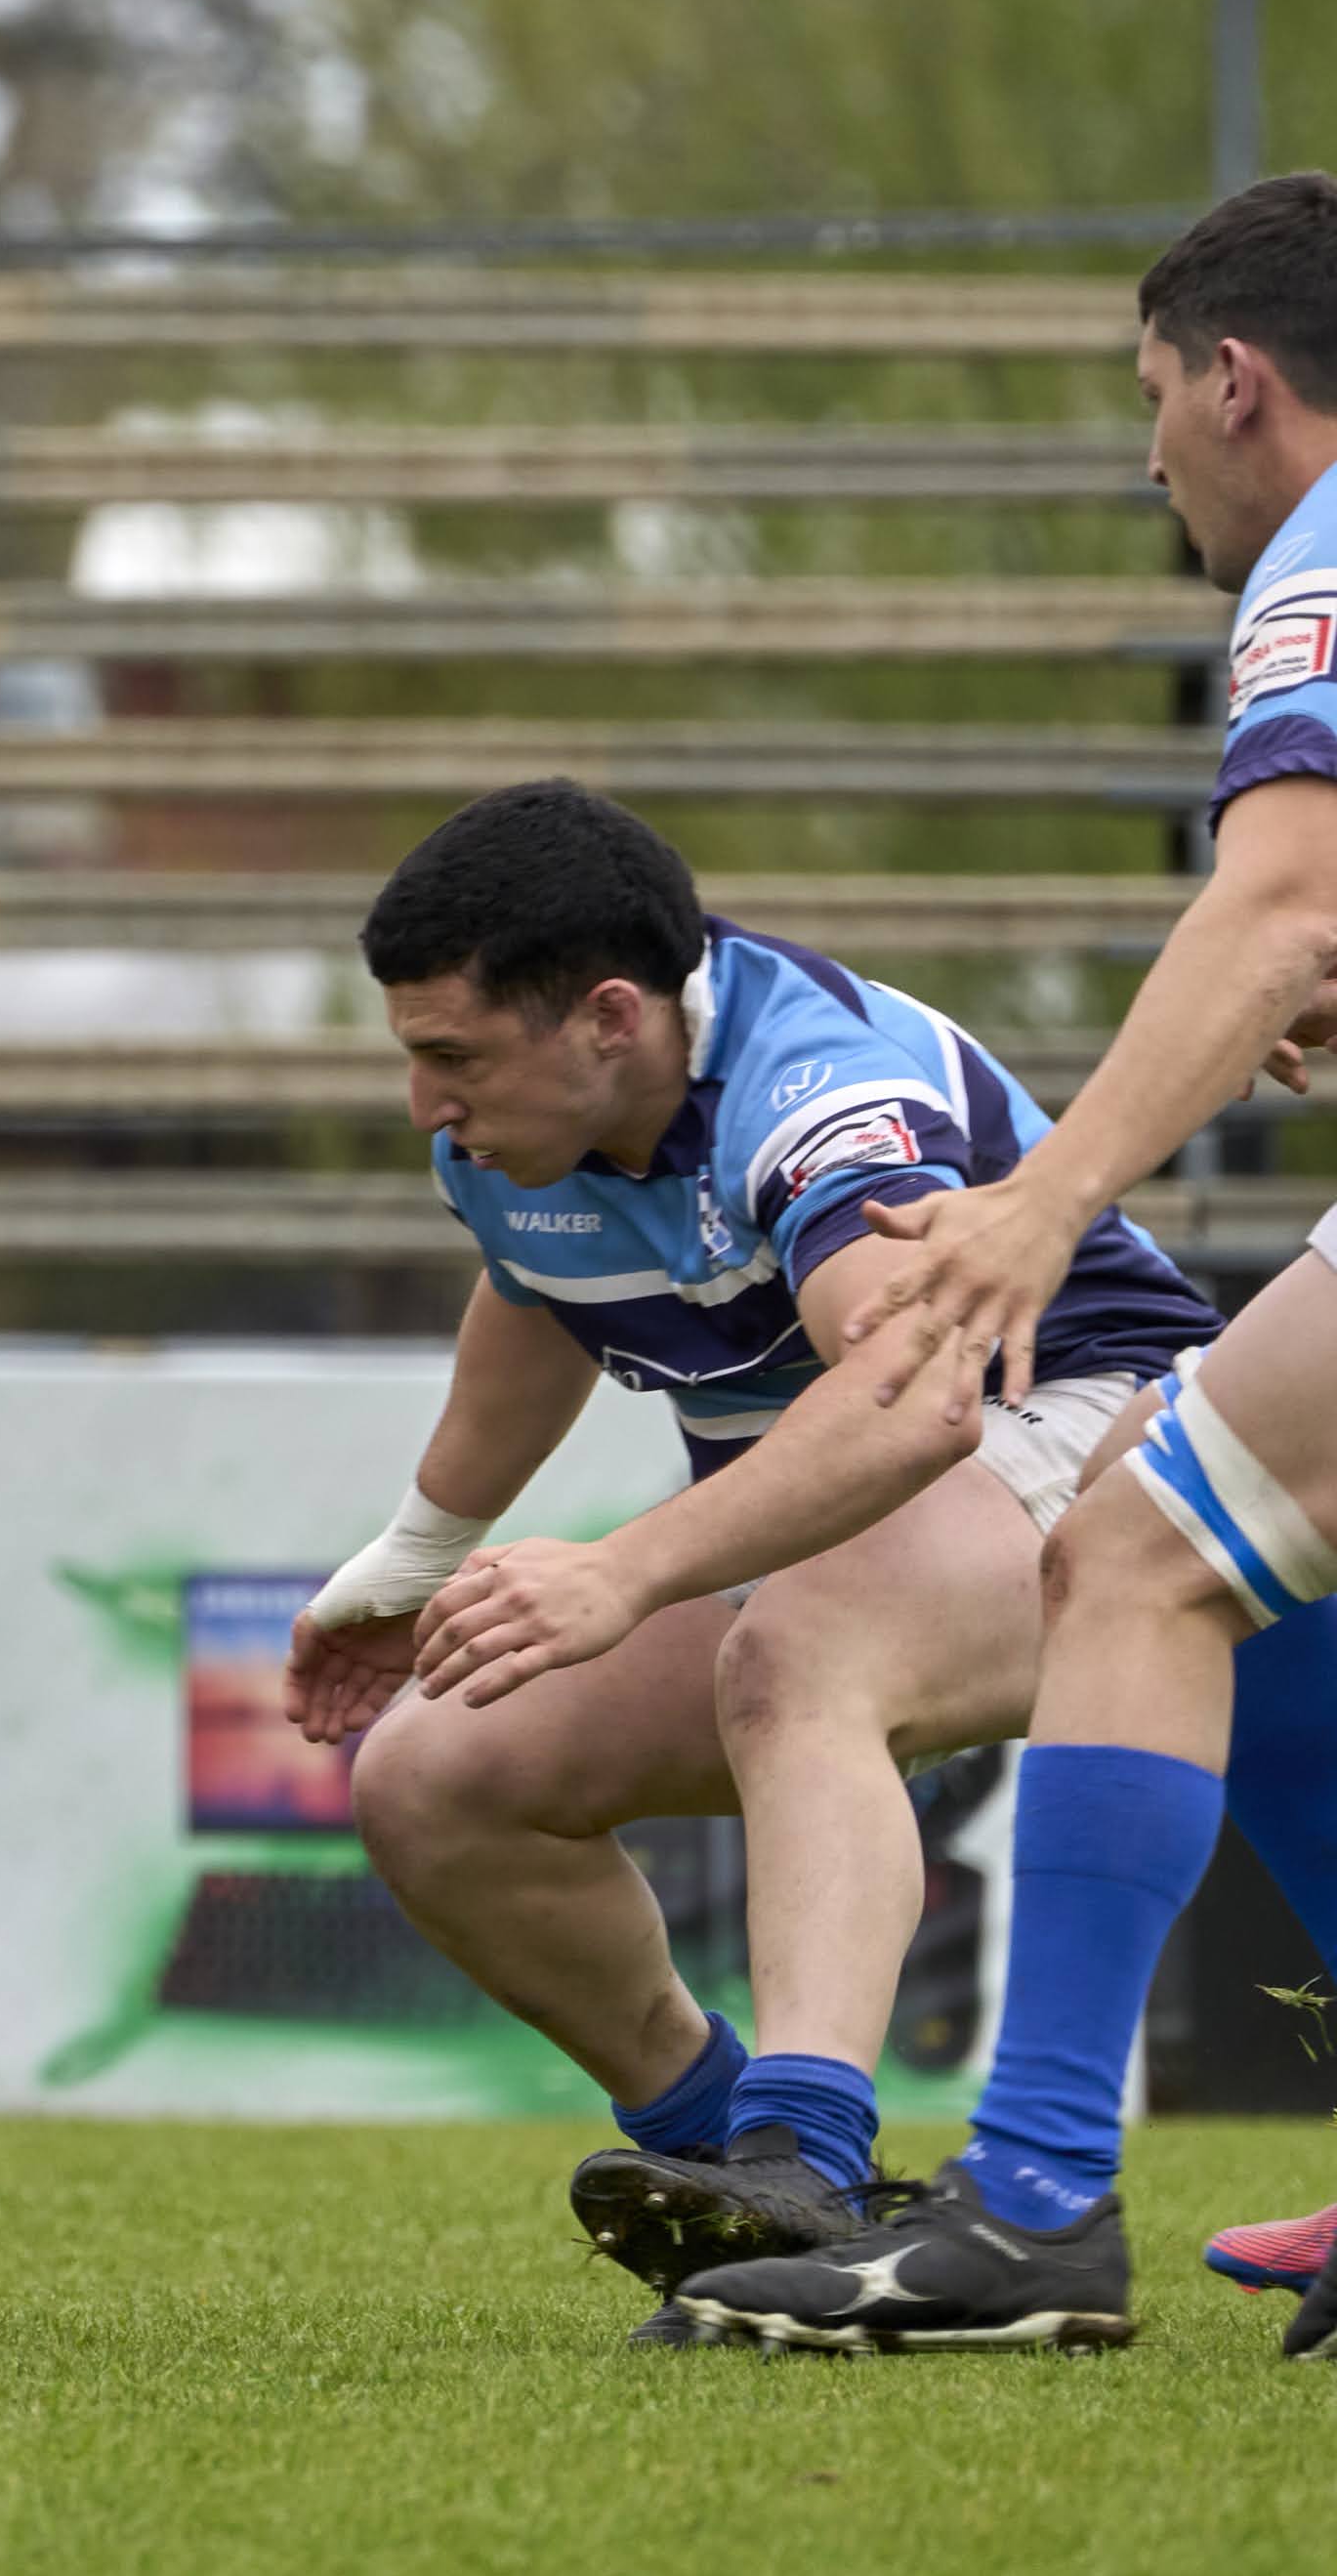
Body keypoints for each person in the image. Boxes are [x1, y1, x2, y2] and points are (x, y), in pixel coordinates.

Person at [279, 782, 1212, 2347]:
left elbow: (916, 1404)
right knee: (436, 1777)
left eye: (455, 1058)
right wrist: (416, 1556)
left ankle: (805, 2161)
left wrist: (625, 1569)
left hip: (1098, 1435)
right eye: (414, 1056)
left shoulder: (820, 1098)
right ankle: (730, 2162)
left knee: (805, 1649)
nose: (427, 1104)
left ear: (611, 1016)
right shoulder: (519, 1130)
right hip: (852, 1516)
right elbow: (538, 1294)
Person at [676, 176, 1337, 2353]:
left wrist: (1044, 1199)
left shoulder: (1322, 555)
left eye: (1149, 399)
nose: (1149, 454)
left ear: (1232, 381)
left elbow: (1278, 907)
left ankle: (1037, 2203)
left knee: (1135, 1555)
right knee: (1234, 1576)